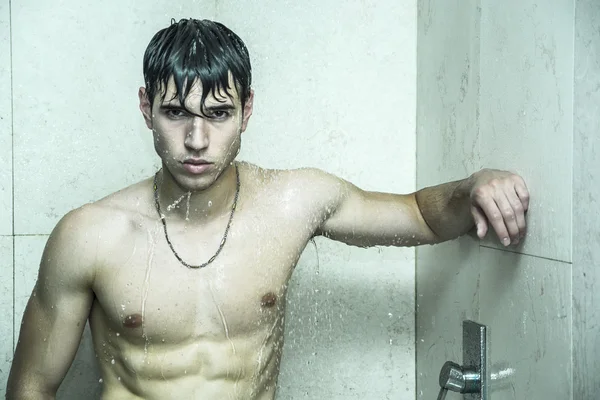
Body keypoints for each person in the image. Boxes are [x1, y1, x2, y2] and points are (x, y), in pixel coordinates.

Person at [6, 18, 529, 400]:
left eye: (218, 114)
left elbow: (418, 215)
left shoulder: (290, 203)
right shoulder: (89, 236)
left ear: (246, 110)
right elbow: (31, 385)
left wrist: (475, 185)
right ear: (146, 108)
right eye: (174, 113)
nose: (196, 139)